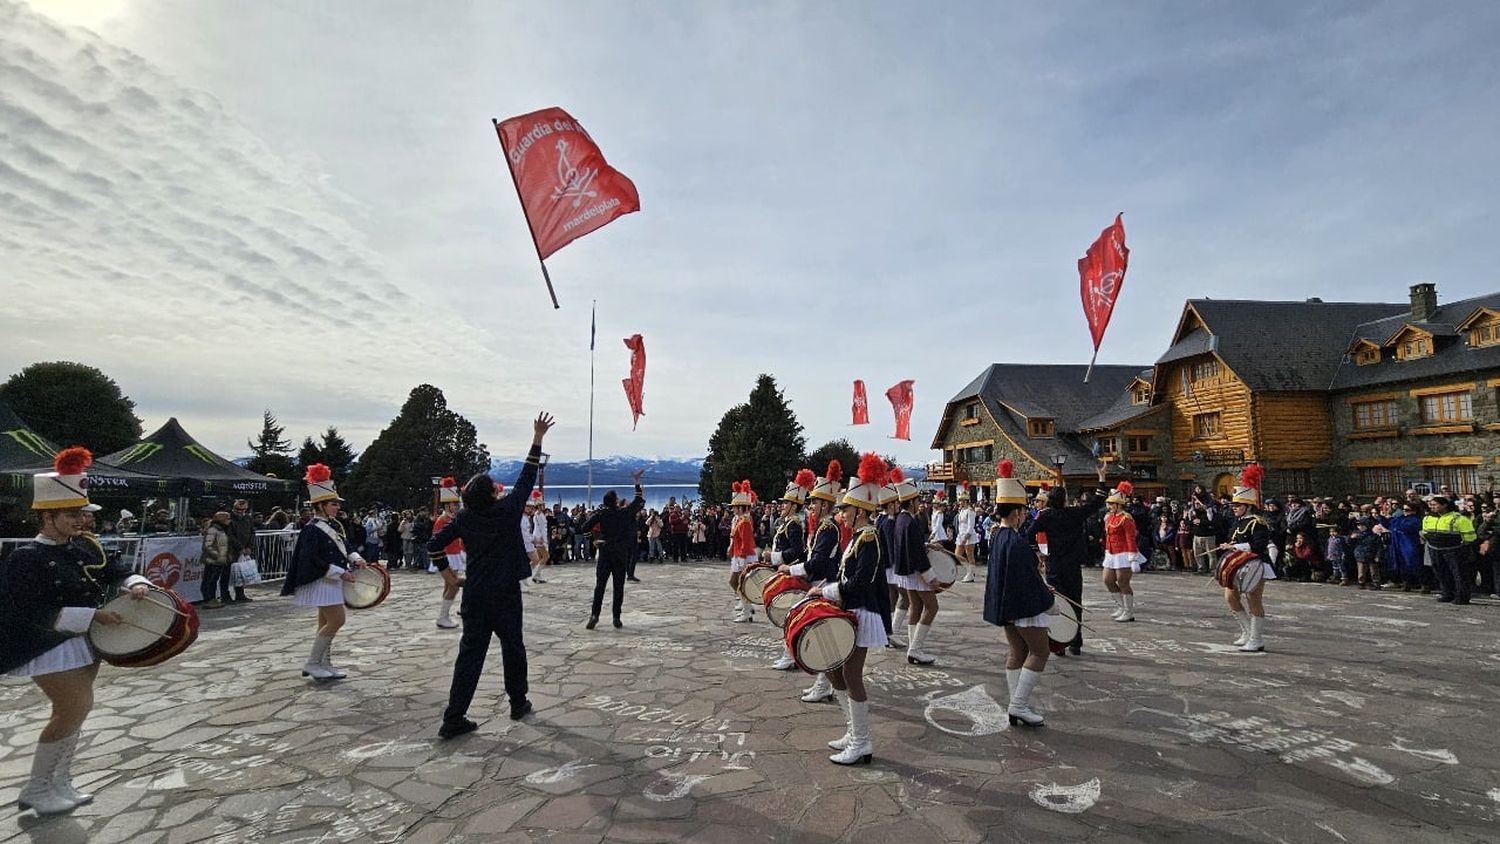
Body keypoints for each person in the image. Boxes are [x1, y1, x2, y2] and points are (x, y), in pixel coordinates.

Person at [0, 448, 153, 815]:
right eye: (72, 514)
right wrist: (92, 617)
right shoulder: (25, 558)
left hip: (82, 641)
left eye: (82, 513)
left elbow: (114, 569)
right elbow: (31, 611)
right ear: (47, 516)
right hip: (46, 644)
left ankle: (59, 781)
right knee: (73, 708)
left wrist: (135, 582)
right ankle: (38, 788)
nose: (81, 521)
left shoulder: (83, 547)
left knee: (78, 712)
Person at [429, 412, 554, 738]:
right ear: (492, 495)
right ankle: (517, 701)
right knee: (513, 647)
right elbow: (527, 478)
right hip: (505, 594)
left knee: (470, 654)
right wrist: (537, 438)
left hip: (475, 593)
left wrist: (450, 577)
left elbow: (433, 545)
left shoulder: (465, 519)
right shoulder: (507, 511)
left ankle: (453, 717)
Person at [819, 454, 892, 765]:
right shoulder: (858, 537)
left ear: (861, 510)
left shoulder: (870, 537)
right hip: (853, 607)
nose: (841, 514)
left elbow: (861, 582)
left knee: (851, 674)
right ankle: (853, 732)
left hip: (863, 610)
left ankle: (862, 741)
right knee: (835, 668)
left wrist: (828, 591)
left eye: (845, 509)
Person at [983, 459, 1054, 728]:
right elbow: (1027, 580)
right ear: (1015, 513)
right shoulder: (1016, 542)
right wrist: (1048, 598)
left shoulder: (998, 537)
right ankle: (1019, 704)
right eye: (1023, 511)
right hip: (1023, 606)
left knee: (1017, 650)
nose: (1025, 515)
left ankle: (1016, 702)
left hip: (1007, 606)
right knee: (1040, 651)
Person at [281, 464, 367, 680]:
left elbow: (344, 546)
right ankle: (312, 663)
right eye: (333, 504)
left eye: (336, 504)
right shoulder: (311, 529)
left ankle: (324, 663)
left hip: (331, 580)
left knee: (325, 623)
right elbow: (311, 559)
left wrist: (356, 558)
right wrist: (340, 572)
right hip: (322, 580)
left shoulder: (334, 525)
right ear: (320, 506)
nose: (337, 507)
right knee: (337, 620)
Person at [1027, 462, 1108, 656]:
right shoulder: (1075, 514)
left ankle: (1059, 643)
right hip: (1072, 564)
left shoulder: (1045, 517)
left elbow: (1029, 534)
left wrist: (1038, 552)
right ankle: (1076, 642)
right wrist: (1102, 478)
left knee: (1057, 604)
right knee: (1075, 601)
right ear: (1064, 500)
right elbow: (1097, 502)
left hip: (1054, 563)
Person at [782, 461, 843, 703]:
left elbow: (816, 562)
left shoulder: (828, 528)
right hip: (819, 582)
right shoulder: (822, 527)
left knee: (822, 636)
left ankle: (824, 685)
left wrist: (791, 568)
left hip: (824, 583)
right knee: (819, 635)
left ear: (825, 504)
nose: (812, 506)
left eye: (815, 502)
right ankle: (822, 684)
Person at [1215, 465, 1277, 653]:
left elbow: (1258, 545)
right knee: (1230, 597)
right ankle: (1247, 631)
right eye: (1233, 506)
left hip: (1256, 564)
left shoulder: (1257, 523)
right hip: (1238, 564)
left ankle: (1256, 639)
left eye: (1238, 506)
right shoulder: (1238, 522)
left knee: (1253, 600)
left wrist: (1234, 546)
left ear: (1248, 506)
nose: (1234, 509)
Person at [577, 470, 647, 629]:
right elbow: (638, 501)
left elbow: (584, 527)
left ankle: (594, 615)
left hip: (605, 552)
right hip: (620, 554)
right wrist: (637, 482)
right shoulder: (624, 513)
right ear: (615, 501)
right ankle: (616, 617)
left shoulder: (601, 513)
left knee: (600, 586)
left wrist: (593, 540)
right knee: (618, 587)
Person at [767, 469, 815, 670]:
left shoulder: (794, 524)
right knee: (789, 616)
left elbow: (798, 551)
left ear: (794, 505)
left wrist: (776, 557)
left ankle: (790, 656)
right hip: (786, 570)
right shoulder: (788, 522)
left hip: (793, 572)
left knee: (790, 616)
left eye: (786, 503)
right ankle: (790, 655)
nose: (782, 506)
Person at [1422, 494, 1477, 605]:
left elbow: (1470, 536)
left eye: (1435, 505)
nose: (1432, 507)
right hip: (1435, 548)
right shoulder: (1428, 518)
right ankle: (1447, 594)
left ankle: (1462, 597)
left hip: (1454, 549)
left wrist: (1463, 544)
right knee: (1441, 573)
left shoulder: (1458, 518)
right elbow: (1424, 532)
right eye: (1431, 505)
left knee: (1459, 573)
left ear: (1444, 505)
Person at [1101, 481, 1141, 622]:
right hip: (1111, 552)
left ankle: (1128, 611)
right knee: (1107, 580)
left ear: (1119, 504)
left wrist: (1133, 558)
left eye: (1112, 503)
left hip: (1124, 553)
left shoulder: (1126, 518)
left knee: (1123, 582)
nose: (1109, 506)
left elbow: (1130, 538)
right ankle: (1120, 606)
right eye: (1109, 503)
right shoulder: (1110, 517)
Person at [431, 478, 466, 629]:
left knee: (449, 587)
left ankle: (444, 615)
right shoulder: (442, 520)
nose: (456, 506)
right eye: (453, 504)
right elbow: (436, 540)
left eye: (457, 503)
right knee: (454, 586)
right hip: (447, 556)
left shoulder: (454, 519)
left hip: (455, 554)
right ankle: (443, 616)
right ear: (447, 505)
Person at [725, 481, 758, 623]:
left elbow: (746, 542)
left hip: (744, 556)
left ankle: (747, 610)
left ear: (740, 507)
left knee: (738, 583)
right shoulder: (740, 520)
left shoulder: (744, 522)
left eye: (734, 507)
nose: (732, 510)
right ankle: (747, 607)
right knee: (736, 583)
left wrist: (742, 560)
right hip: (740, 555)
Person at [199, 511, 232, 609]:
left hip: (218, 559)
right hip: (213, 559)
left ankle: (212, 599)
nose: (229, 521)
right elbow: (207, 546)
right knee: (210, 580)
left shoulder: (221, 529)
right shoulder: (213, 530)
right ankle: (209, 599)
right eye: (227, 519)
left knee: (213, 579)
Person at [228, 499, 257, 602]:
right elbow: (230, 535)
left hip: (245, 549)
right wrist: (241, 548)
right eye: (237, 509)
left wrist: (249, 547)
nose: (240, 511)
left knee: (240, 573)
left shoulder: (248, 518)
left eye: (243, 509)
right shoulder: (229, 518)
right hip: (232, 550)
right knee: (228, 573)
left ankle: (240, 594)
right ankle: (226, 596)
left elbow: (252, 533)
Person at [525, 491, 551, 585]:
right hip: (539, 538)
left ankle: (537, 575)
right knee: (546, 557)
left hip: (540, 537)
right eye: (541, 505)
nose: (543, 506)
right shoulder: (538, 515)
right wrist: (543, 539)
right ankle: (535, 574)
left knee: (540, 558)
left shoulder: (540, 515)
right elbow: (541, 528)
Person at [955, 485, 978, 582]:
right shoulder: (962, 511)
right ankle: (969, 570)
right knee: (957, 555)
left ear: (966, 501)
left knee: (969, 554)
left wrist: (967, 536)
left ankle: (970, 574)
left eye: (961, 501)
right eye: (960, 500)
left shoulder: (970, 511)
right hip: (961, 534)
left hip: (969, 535)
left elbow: (970, 525)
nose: (960, 502)